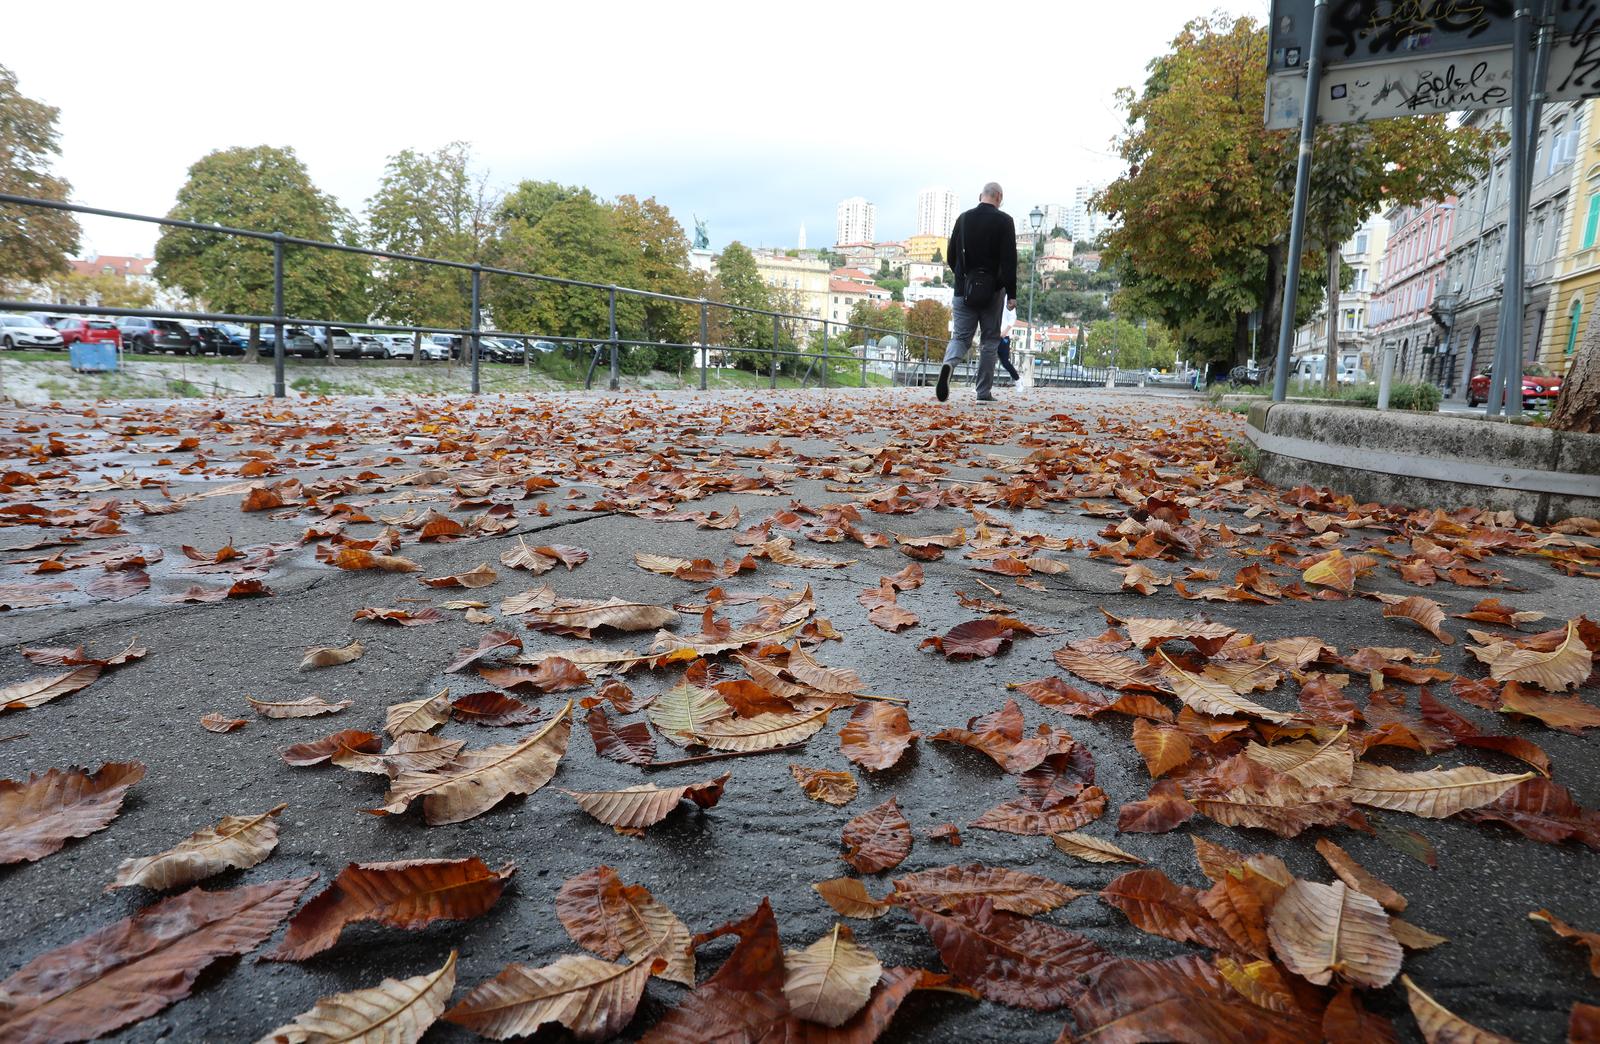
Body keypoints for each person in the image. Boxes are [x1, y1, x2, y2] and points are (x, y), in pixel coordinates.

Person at [936, 183, 1018, 403]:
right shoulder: (1005, 221)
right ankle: (983, 392)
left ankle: (949, 364)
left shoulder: (963, 219)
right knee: (989, 341)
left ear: (981, 196)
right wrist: (1011, 293)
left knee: (961, 337)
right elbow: (1010, 260)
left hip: (964, 290)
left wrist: (963, 278)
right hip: (993, 292)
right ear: (999, 197)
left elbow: (951, 254)